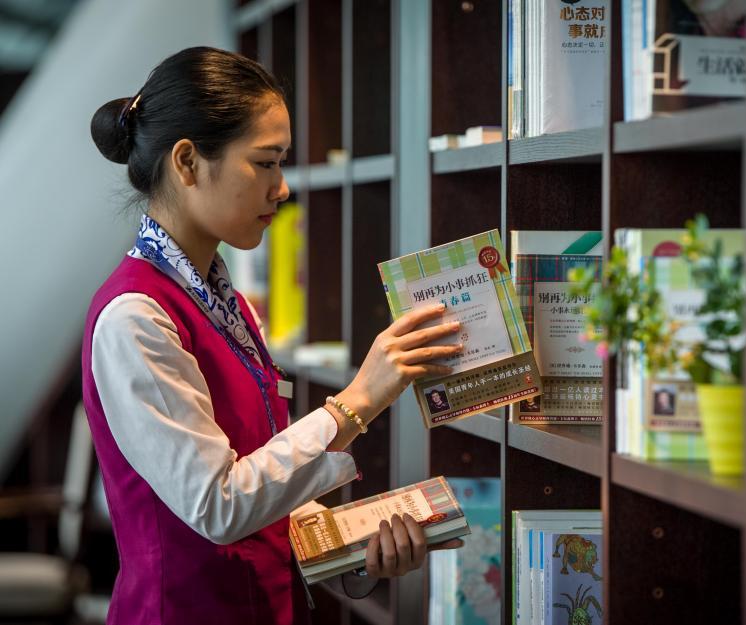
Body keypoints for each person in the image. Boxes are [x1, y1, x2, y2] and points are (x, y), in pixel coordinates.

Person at [83, 47, 462, 625]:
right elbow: (218, 505)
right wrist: (358, 401)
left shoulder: (223, 305)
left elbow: (261, 497)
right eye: (265, 163)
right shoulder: (135, 317)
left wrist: (359, 555)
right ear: (187, 162)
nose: (281, 188)